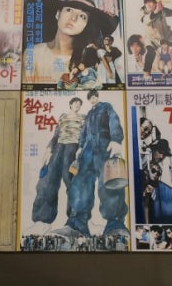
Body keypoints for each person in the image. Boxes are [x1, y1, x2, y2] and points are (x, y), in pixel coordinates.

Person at [54, 90, 127, 238]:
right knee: (80, 182)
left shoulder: (106, 107)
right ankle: (77, 224)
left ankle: (115, 224)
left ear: (97, 97)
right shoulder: (88, 114)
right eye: (90, 98)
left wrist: (116, 140)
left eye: (94, 97)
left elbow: (114, 121)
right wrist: (80, 147)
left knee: (108, 182)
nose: (93, 100)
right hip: (87, 149)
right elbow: (84, 132)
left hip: (104, 145)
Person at [27, 0, 118, 85]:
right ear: (58, 14)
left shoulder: (88, 61)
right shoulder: (33, 53)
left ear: (86, 25)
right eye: (69, 10)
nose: (74, 18)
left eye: (82, 16)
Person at [31, 97, 85, 228]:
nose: (77, 105)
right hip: (59, 147)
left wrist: (82, 148)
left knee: (71, 180)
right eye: (75, 103)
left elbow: (86, 134)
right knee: (47, 179)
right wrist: (49, 148)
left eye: (79, 104)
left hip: (73, 147)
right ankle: (42, 220)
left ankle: (75, 220)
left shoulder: (83, 118)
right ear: (70, 104)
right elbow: (56, 135)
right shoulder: (63, 117)